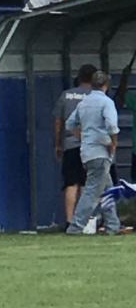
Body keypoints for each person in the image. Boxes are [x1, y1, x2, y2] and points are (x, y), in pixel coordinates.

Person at [65, 71, 121, 235]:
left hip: (87, 151)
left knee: (108, 190)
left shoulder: (84, 103)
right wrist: (114, 143)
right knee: (91, 191)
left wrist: (83, 137)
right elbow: (112, 126)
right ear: (106, 85)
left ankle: (113, 226)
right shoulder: (107, 102)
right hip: (101, 151)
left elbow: (70, 124)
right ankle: (75, 226)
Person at [53, 63, 97, 229]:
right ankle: (85, 222)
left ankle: (70, 221)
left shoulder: (66, 95)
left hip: (70, 144)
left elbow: (58, 121)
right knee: (87, 184)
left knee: (71, 183)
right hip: (91, 146)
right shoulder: (96, 96)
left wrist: (58, 143)